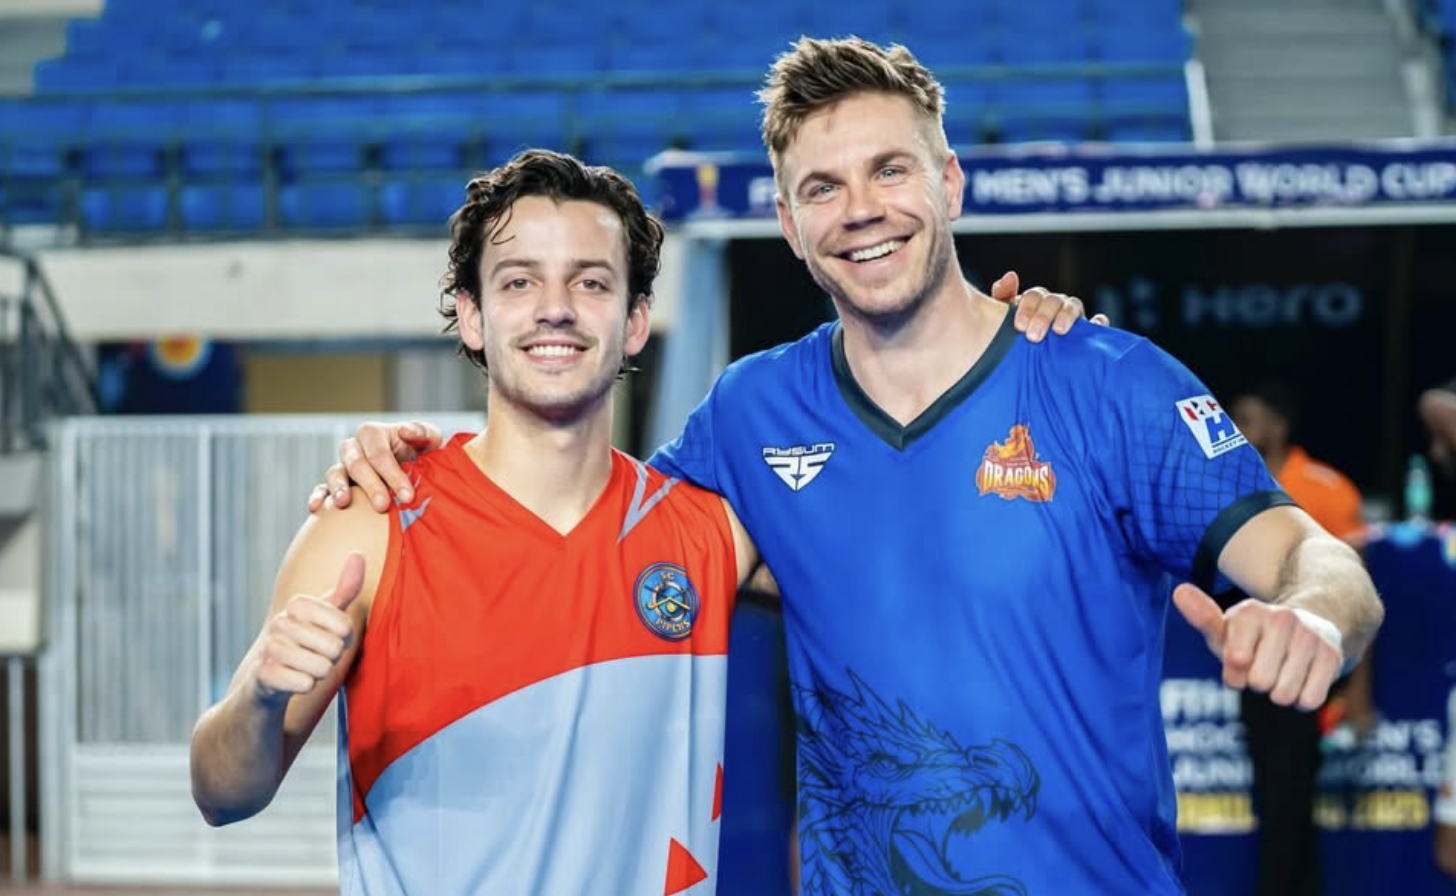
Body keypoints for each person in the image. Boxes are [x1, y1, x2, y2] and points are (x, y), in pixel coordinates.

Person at [321, 38, 1384, 895]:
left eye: (889, 169)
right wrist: (415, 462)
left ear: (949, 181)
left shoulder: (1106, 384)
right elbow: (587, 527)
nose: (861, 208)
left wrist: (1314, 620)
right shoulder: (750, 412)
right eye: (821, 187)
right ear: (788, 224)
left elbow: (1319, 559)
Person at [194, 148, 1088, 896]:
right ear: (471, 317)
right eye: (518, 281)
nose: (554, 308)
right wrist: (260, 693)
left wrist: (1014, 362)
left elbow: (940, 564)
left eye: (590, 282)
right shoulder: (373, 521)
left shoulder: (709, 532)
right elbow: (223, 793)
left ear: (633, 323)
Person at [1228, 383, 1370, 896]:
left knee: (1289, 807)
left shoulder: (1326, 489)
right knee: (1279, 803)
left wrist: (1358, 691)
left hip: (1313, 666)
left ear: (1278, 426)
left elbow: (1359, 598)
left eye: (1247, 419)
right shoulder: (1228, 485)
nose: (1236, 429)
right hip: (1255, 670)